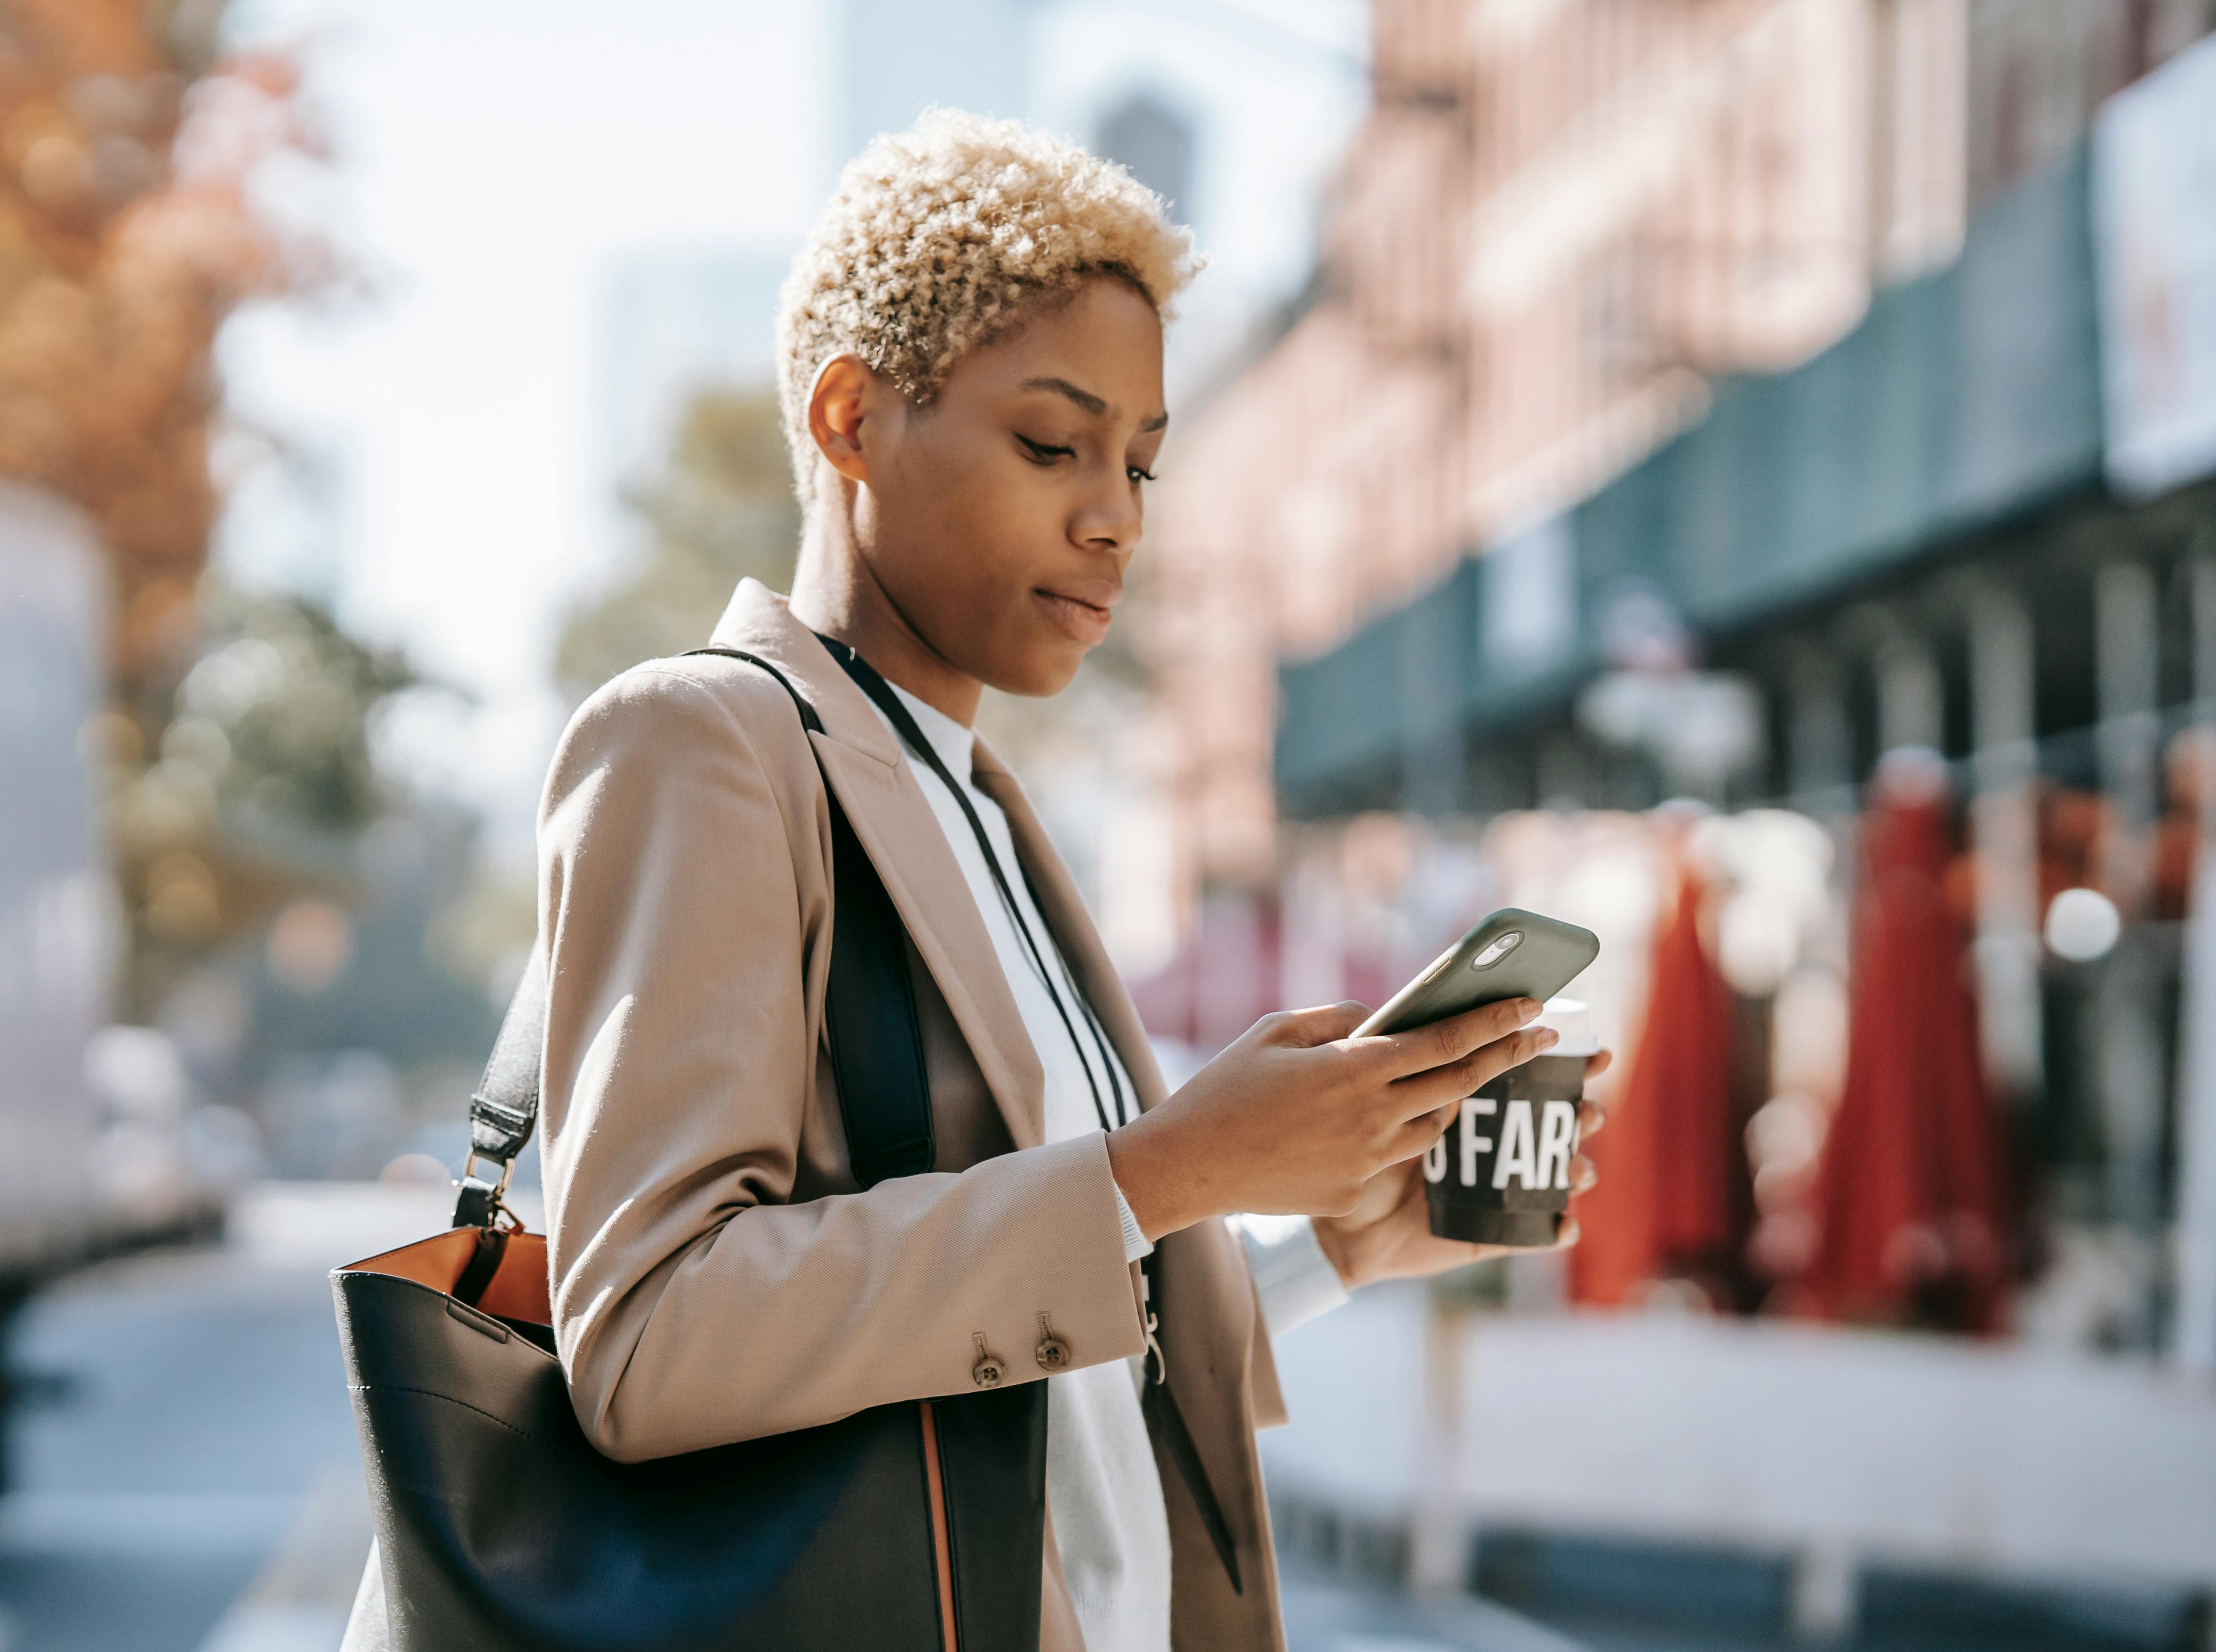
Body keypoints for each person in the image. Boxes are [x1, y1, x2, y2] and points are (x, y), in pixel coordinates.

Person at [530, 111, 1606, 1652]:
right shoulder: (701, 743)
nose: (1113, 516)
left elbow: (1054, 1348)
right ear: (848, 421)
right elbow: (650, 1341)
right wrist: (1165, 1170)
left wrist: (1337, 1236)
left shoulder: (979, 802)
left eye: (1142, 463)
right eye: (1052, 444)